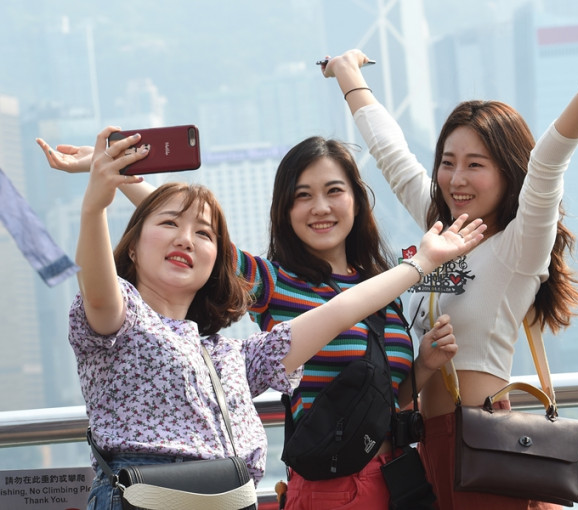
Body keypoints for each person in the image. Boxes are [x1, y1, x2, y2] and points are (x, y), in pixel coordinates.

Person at [44, 128, 482, 509]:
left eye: (333, 191)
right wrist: (109, 185)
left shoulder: (377, 294)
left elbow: (366, 364)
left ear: (356, 199)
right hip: (328, 484)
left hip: (398, 472)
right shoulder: (270, 282)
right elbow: (180, 239)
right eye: (302, 195)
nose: (320, 207)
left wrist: (422, 366)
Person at [321, 48, 578, 509]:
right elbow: (391, 153)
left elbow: (548, 164)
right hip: (428, 449)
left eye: (476, 164)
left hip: (483, 448)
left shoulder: (519, 247)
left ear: (508, 173)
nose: (456, 178)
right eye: (448, 162)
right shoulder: (444, 234)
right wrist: (347, 75)